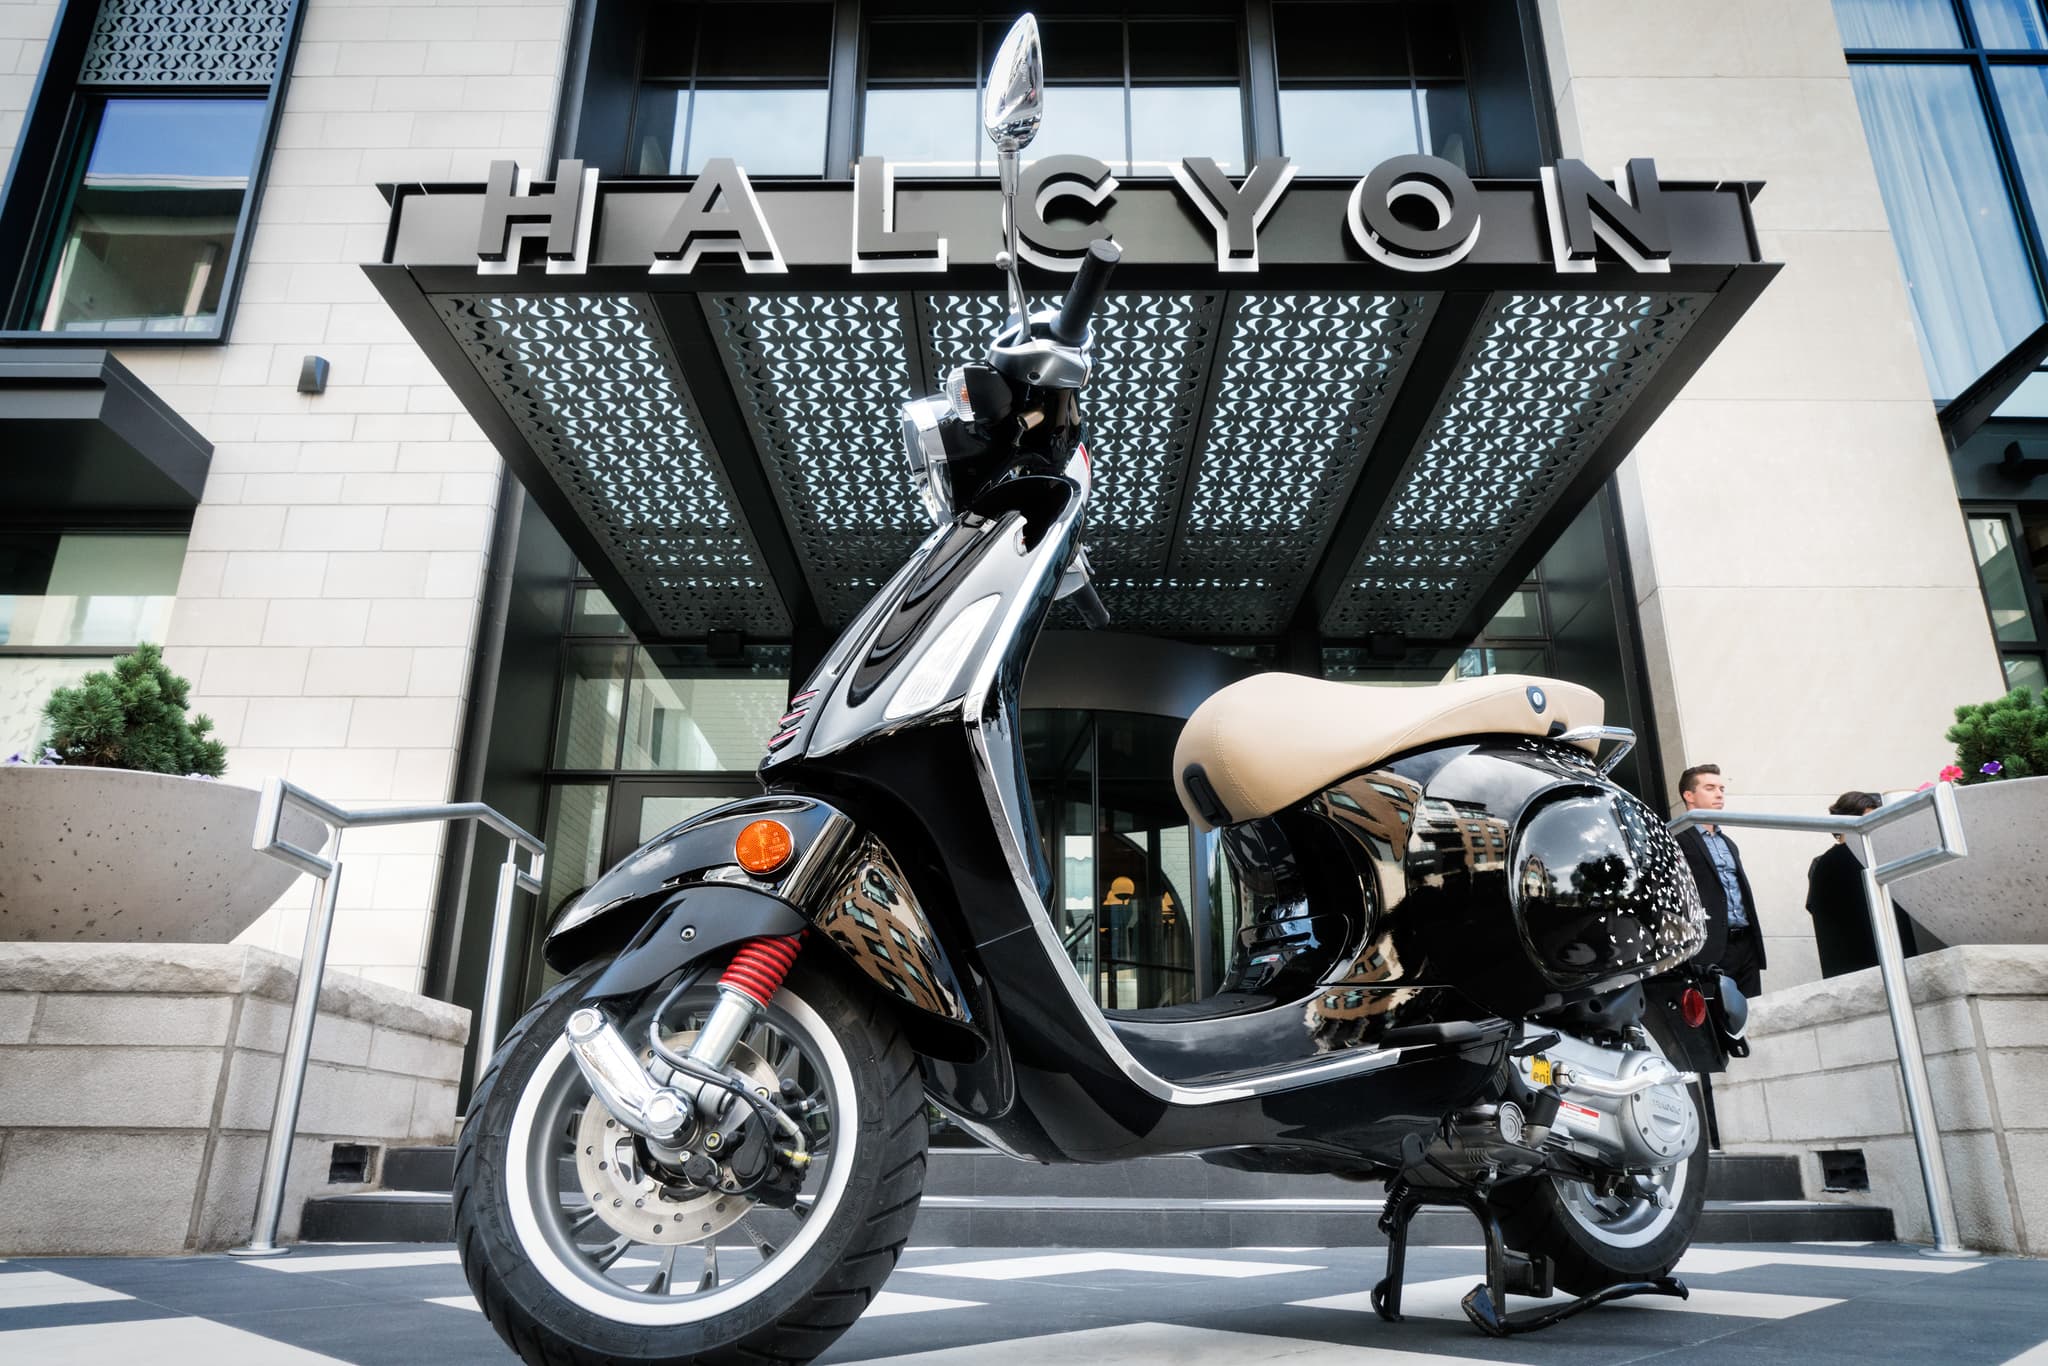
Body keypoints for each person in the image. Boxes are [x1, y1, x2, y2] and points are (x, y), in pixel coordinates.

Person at [1674, 763, 1766, 997]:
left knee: (1754, 1014)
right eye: (1710, 787)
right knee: (1717, 1020)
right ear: (1689, 795)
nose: (1719, 794)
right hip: (1710, 948)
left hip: (1745, 945)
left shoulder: (1728, 844)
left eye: (1722, 788)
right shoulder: (1676, 838)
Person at [1806, 791, 1919, 977]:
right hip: (1856, 964)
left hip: (1893, 960)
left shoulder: (1880, 856)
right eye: (1866, 821)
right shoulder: (1827, 864)